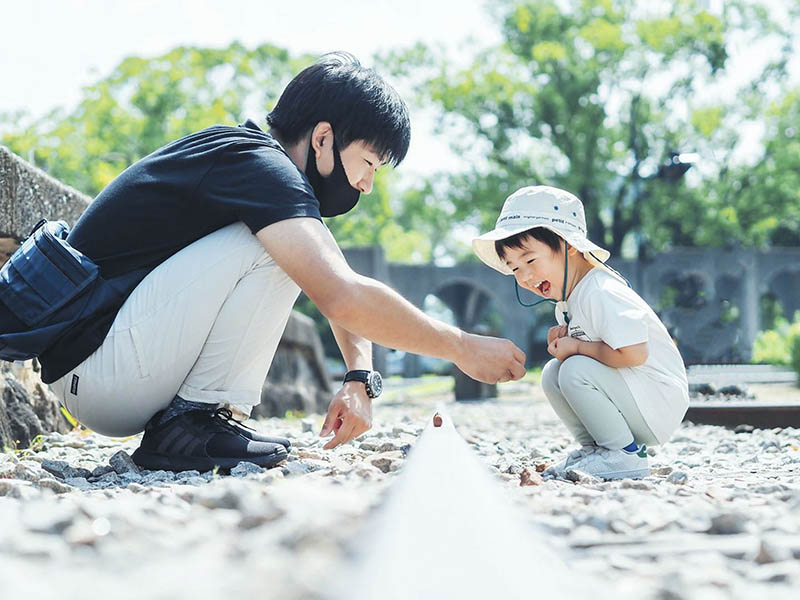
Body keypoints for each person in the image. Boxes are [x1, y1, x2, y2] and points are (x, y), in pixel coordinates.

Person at [38, 52, 526, 472]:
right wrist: (461, 346)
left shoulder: (260, 173)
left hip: (103, 372)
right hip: (100, 372)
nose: (367, 185)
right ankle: (190, 423)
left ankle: (192, 423)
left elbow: (334, 273)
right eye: (369, 164)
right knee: (275, 247)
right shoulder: (261, 171)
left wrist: (360, 378)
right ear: (322, 139)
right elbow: (340, 295)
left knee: (294, 245)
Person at [472, 186, 689, 480]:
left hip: (656, 400)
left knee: (573, 369)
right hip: (639, 399)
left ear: (569, 245)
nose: (525, 276)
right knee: (553, 372)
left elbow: (634, 353)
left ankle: (623, 455)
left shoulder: (600, 290)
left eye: (531, 261)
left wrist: (576, 348)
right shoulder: (572, 298)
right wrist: (566, 342)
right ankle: (600, 449)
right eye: (515, 269)